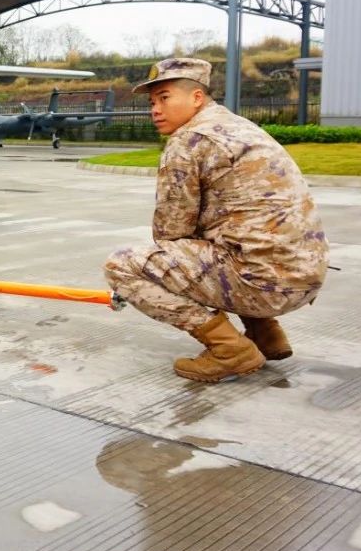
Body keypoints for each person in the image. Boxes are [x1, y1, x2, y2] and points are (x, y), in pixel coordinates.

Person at [103, 57, 329, 383]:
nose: (155, 109)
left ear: (196, 97)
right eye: (152, 101)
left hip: (265, 284)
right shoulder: (239, 126)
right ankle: (266, 333)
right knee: (223, 244)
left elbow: (169, 233)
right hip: (306, 275)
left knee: (123, 265)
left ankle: (229, 350)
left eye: (164, 98)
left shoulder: (188, 140)